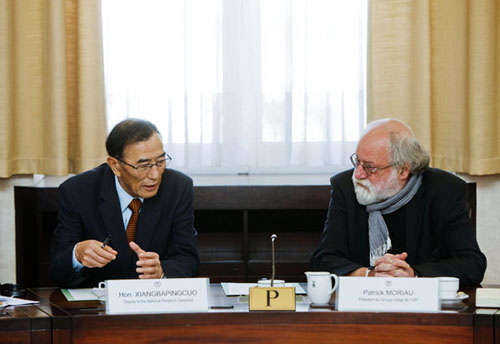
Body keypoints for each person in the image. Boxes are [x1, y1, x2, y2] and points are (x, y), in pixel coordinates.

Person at [310, 118, 486, 286]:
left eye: (369, 167)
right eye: (357, 162)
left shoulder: (444, 190)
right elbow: (324, 259)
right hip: (362, 304)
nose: (358, 174)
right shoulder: (346, 187)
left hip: (426, 309)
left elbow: (471, 264)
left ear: (403, 170)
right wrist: (368, 275)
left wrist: (413, 274)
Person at [51, 119, 200, 288]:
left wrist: (162, 271)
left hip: (154, 305)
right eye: (143, 165)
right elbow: (57, 269)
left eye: (160, 161)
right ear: (115, 166)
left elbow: (189, 261)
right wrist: (77, 254)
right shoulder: (78, 191)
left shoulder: (178, 187)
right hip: (97, 305)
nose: (155, 174)